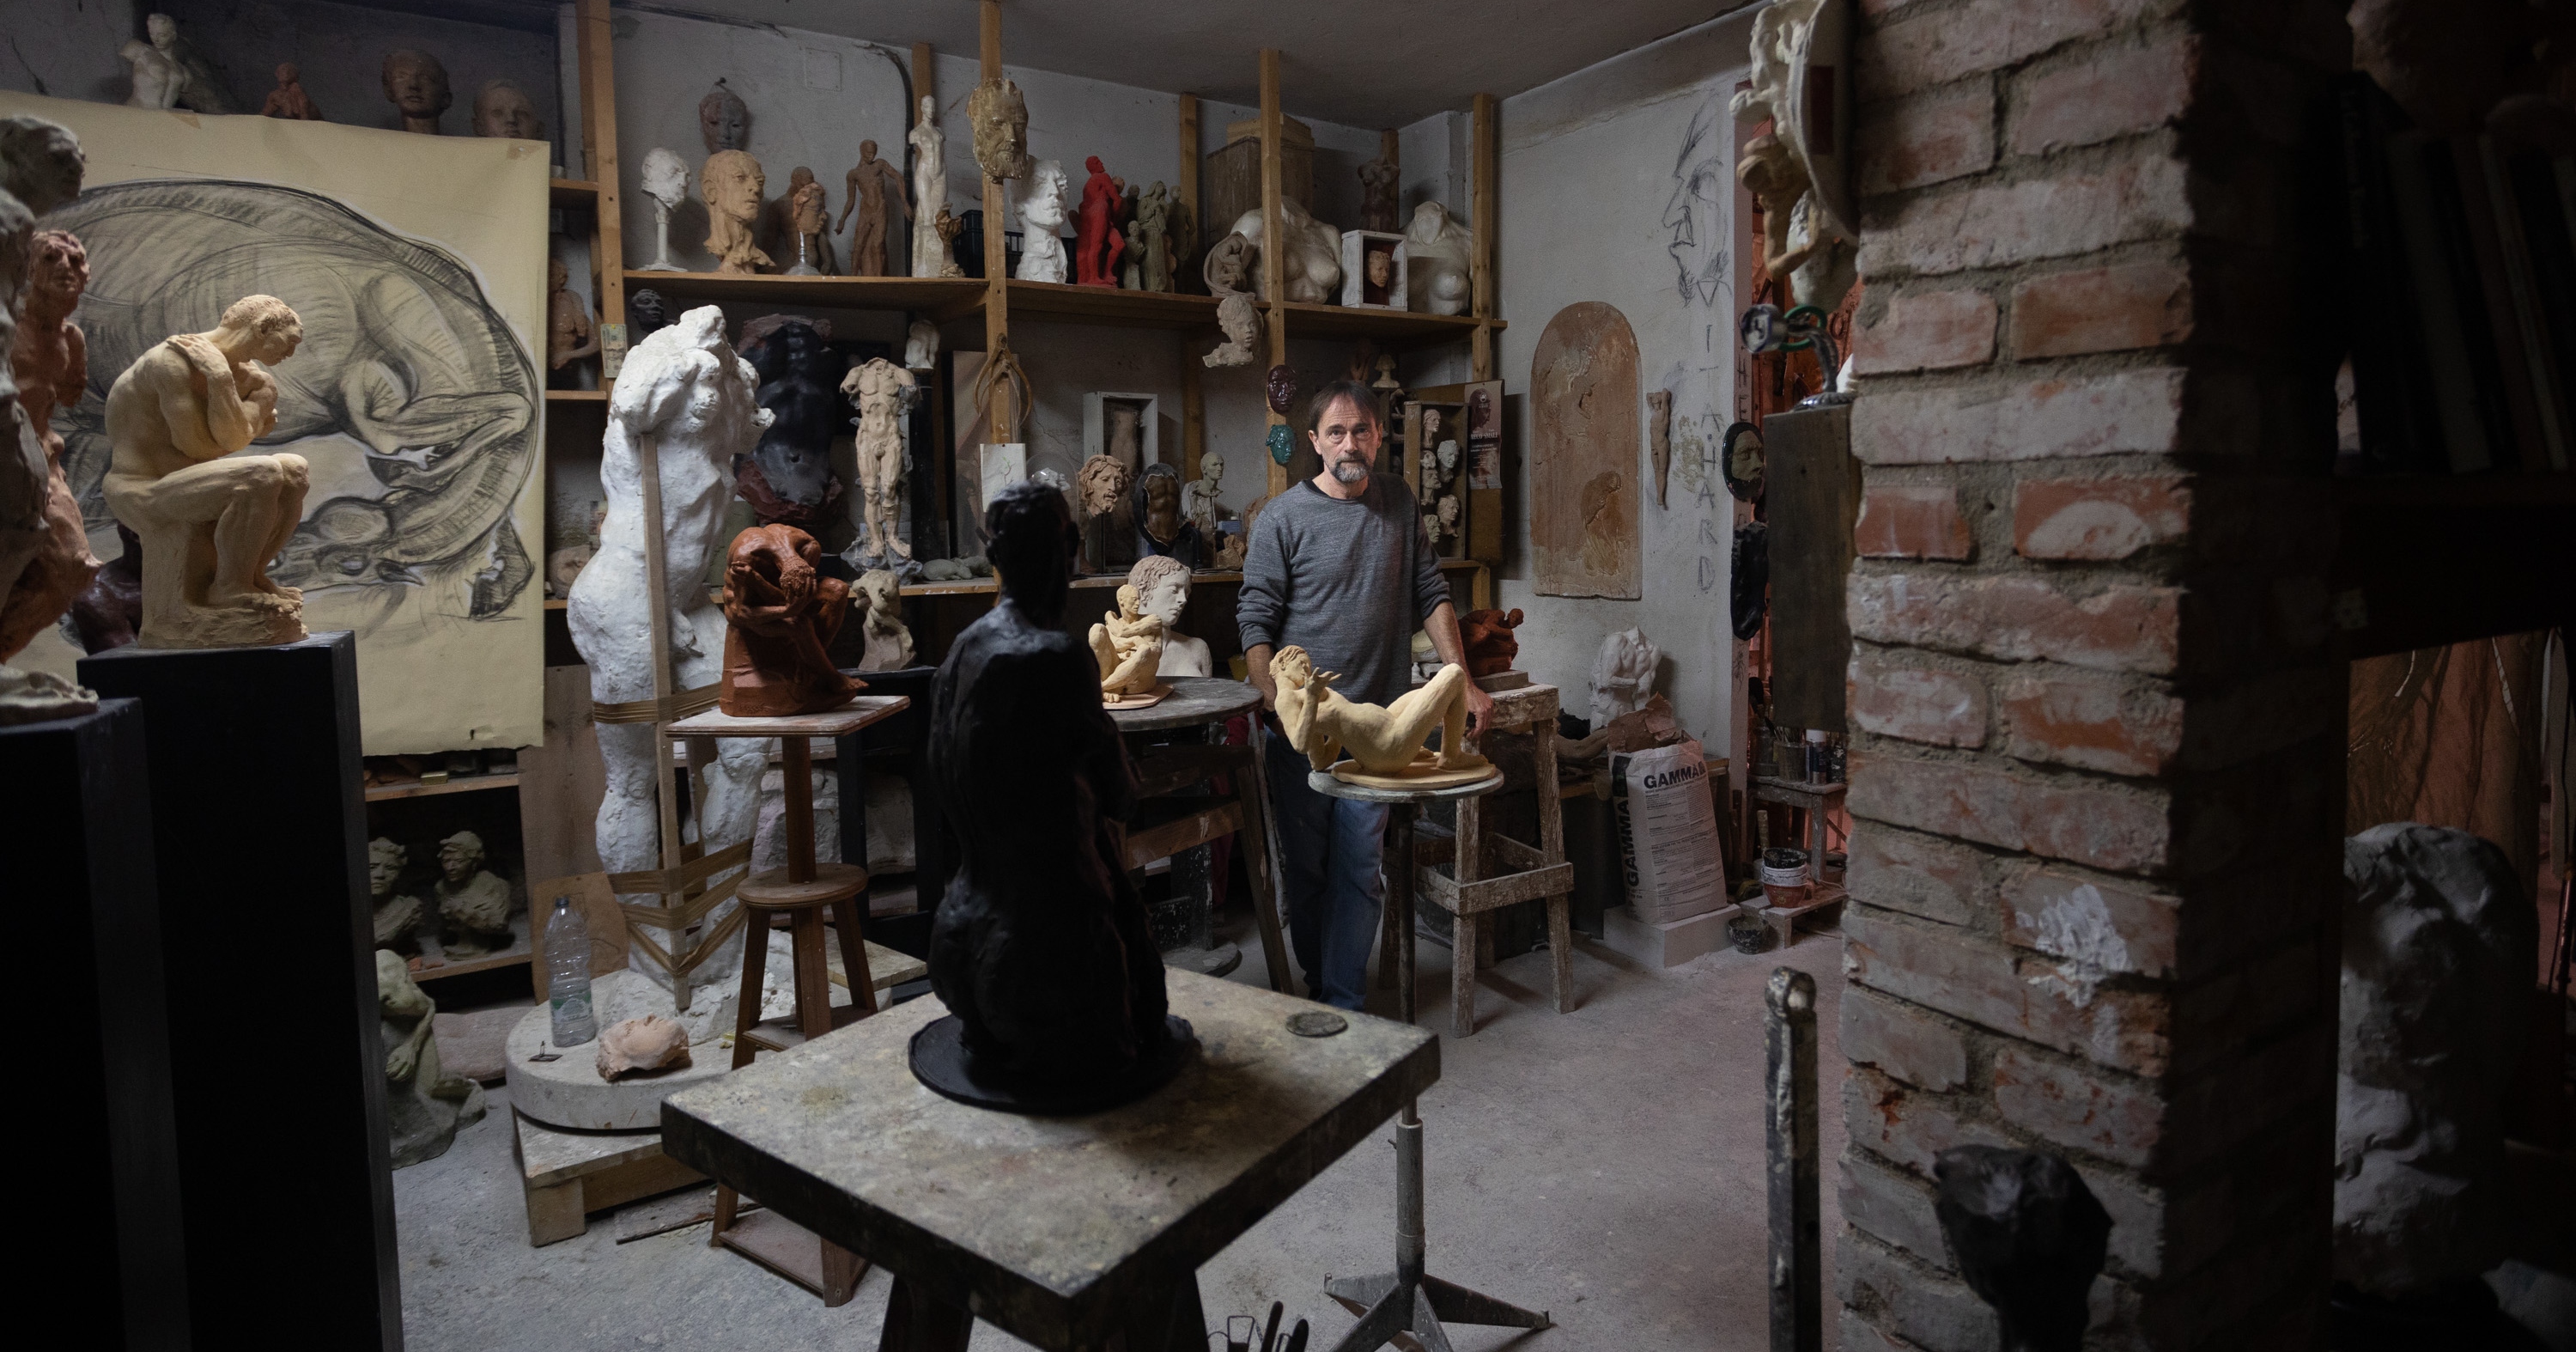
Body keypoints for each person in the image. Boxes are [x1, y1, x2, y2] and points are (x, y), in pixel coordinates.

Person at [1238, 380, 1492, 1011]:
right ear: (1314, 442)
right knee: (1310, 870)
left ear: (1379, 437)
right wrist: (1274, 700)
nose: (1349, 443)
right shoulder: (1282, 518)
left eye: (1361, 431)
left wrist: (1463, 677)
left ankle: (1344, 1006)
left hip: (1377, 734)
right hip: (1306, 732)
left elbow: (1431, 592)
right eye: (1336, 432)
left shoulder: (1400, 503)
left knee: (1358, 868)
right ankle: (1321, 989)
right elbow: (1255, 618)